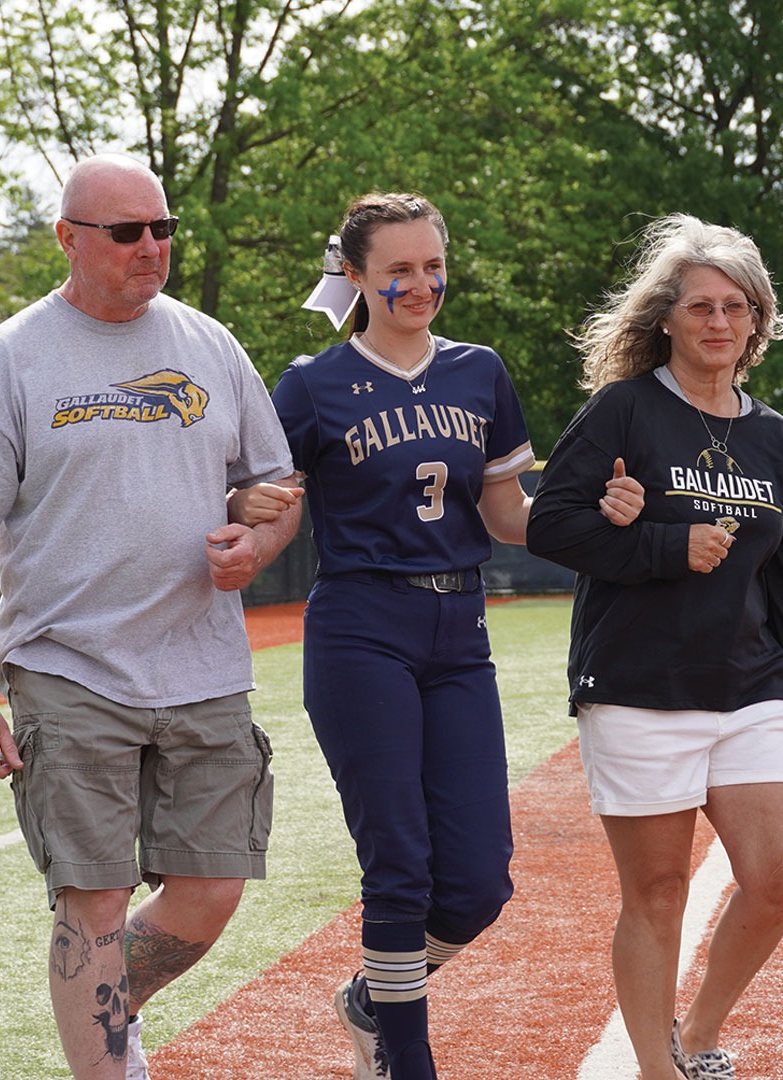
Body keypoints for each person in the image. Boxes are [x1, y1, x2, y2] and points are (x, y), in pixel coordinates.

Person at [0, 153, 299, 1080]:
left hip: (202, 662)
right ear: (69, 239)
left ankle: (102, 1016)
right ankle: (110, 1059)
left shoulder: (211, 344)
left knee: (209, 894)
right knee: (91, 897)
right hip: (66, 663)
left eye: (163, 229)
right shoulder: (14, 357)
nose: (151, 248)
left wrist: (257, 545)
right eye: (127, 232)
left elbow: (276, 486)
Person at [524, 213, 783, 1080]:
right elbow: (549, 525)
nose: (717, 322)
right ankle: (658, 1070)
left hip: (751, 688)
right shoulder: (623, 410)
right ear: (665, 318)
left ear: (756, 323)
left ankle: (699, 1031)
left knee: (778, 874)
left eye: (734, 308)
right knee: (658, 892)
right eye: (699, 306)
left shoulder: (773, 436)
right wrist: (667, 545)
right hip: (638, 685)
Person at [234, 193, 536, 1080]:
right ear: (357, 277)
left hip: (460, 628)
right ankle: (406, 1060)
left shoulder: (481, 371)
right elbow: (267, 498)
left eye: (431, 265)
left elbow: (509, 515)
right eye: (397, 270)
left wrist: (600, 518)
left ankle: (374, 996)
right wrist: (238, 512)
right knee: (399, 860)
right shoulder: (312, 382)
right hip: (362, 624)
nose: (419, 284)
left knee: (480, 882)